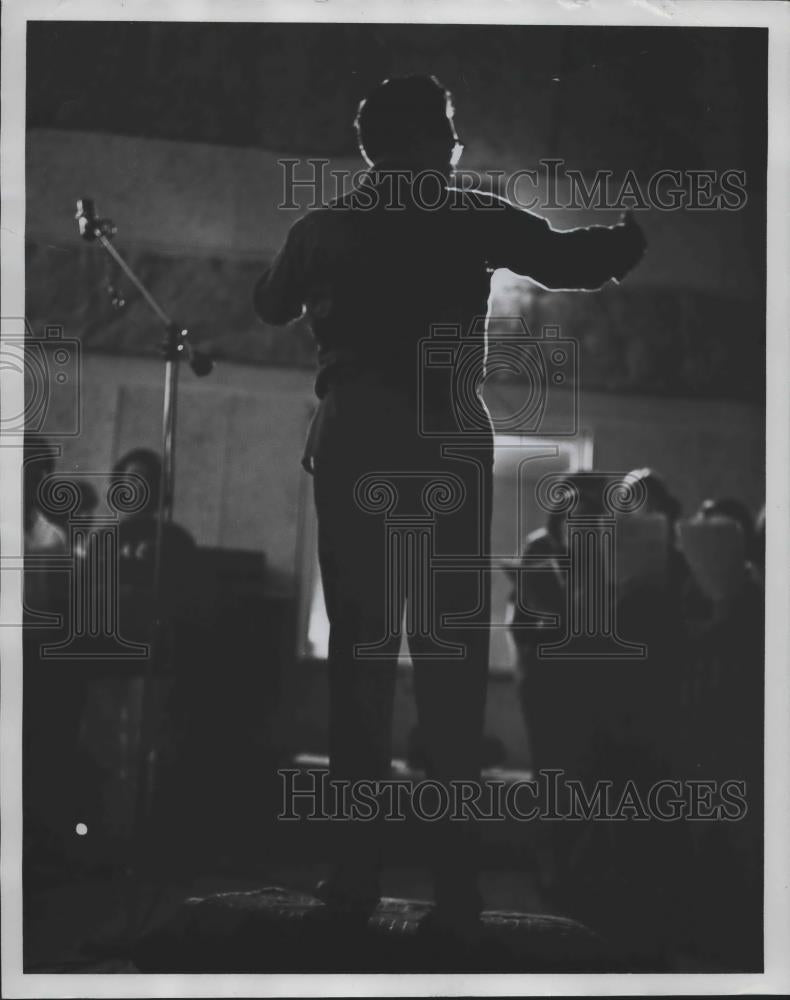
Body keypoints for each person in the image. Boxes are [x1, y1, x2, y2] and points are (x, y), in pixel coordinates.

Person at [254, 75, 646, 939]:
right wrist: (628, 238)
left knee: (361, 661)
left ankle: (352, 880)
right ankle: (457, 893)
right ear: (441, 144)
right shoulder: (471, 213)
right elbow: (575, 263)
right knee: (452, 668)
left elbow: (268, 302)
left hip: (353, 441)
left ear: (367, 147)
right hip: (444, 443)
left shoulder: (320, 226)